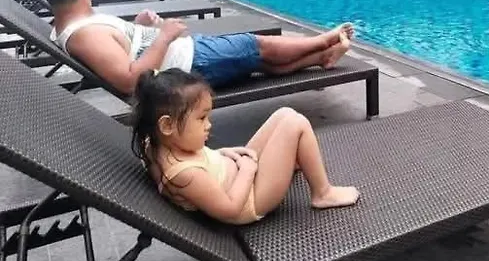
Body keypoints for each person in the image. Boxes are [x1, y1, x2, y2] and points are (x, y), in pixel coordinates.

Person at [38, 0, 355, 95]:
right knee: (257, 45)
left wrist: (137, 26)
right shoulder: (86, 35)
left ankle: (321, 58)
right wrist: (164, 37)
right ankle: (322, 40)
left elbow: (120, 52)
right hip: (188, 64)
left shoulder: (75, 25)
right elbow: (129, 81)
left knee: (259, 62)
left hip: (185, 57)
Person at [131, 69, 359, 224]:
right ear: (167, 125)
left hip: (237, 173)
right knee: (295, 123)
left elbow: (199, 162)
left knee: (285, 113)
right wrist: (248, 170)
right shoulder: (186, 175)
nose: (209, 124)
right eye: (201, 118)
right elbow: (230, 210)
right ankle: (323, 193)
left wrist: (221, 154)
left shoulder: (156, 144)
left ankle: (289, 159)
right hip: (251, 199)